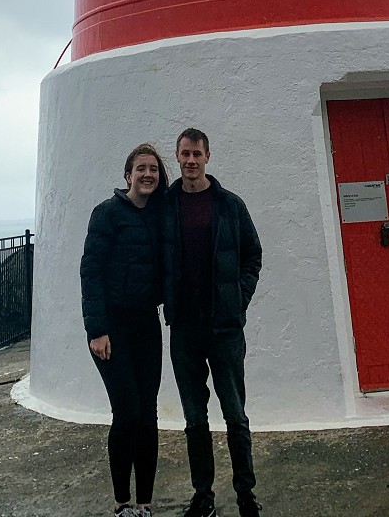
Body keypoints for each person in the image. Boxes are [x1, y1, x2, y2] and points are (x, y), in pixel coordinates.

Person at [162, 128, 263, 517]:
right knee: (194, 418)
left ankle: (245, 496)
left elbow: (252, 254)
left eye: (197, 154)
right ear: (177, 155)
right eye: (185, 154)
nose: (190, 160)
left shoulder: (229, 205)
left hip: (225, 328)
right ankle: (203, 496)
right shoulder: (166, 205)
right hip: (184, 329)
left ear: (208, 156)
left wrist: (238, 298)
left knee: (235, 415)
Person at [81, 143, 169, 517]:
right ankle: (121, 503)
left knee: (147, 415)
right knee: (127, 412)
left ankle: (145, 503)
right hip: (112, 328)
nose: (147, 174)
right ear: (127, 174)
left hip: (146, 324)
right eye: (140, 168)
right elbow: (90, 271)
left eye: (153, 169)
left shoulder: (161, 215)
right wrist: (97, 329)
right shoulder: (106, 214)